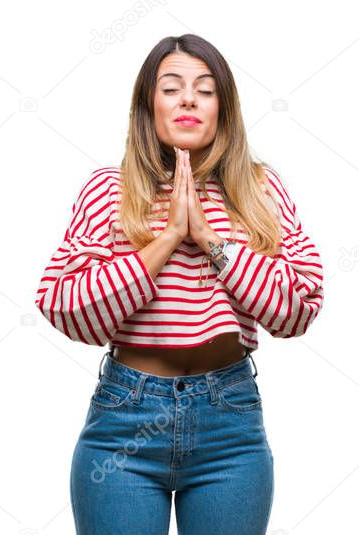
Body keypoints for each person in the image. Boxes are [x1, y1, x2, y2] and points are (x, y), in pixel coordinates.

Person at [35, 34, 323, 534]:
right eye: (172, 88)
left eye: (205, 90)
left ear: (223, 110)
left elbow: (298, 307)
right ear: (149, 106)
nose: (188, 99)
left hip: (229, 425)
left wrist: (212, 239)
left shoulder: (259, 190)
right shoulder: (110, 188)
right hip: (124, 421)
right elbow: (63, 305)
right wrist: (167, 239)